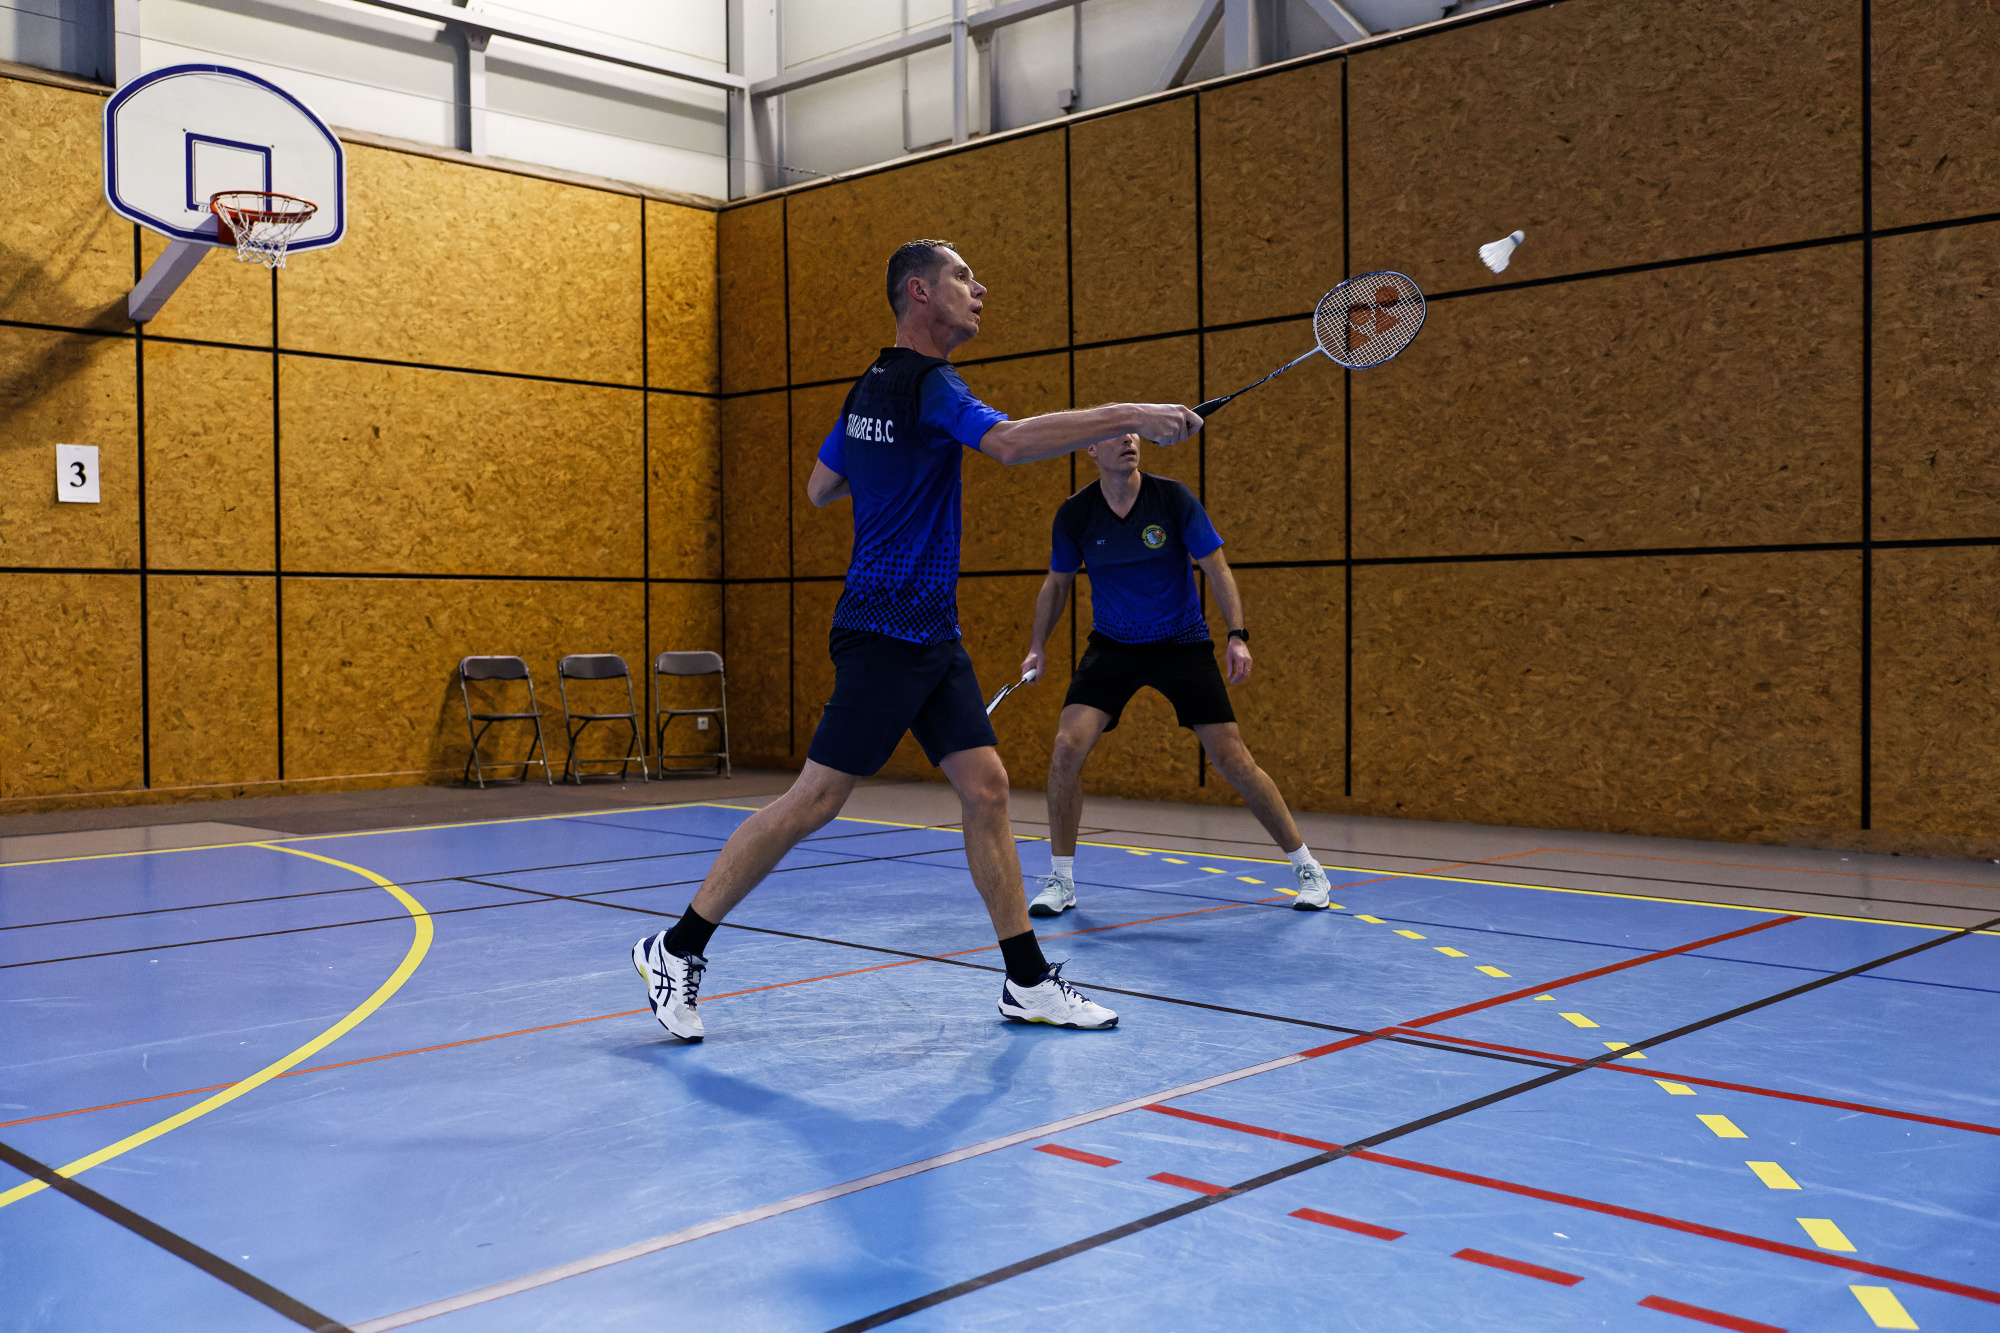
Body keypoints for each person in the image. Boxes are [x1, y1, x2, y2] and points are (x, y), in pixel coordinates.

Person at [631, 240, 1203, 1041]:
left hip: (930, 630)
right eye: (964, 276)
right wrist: (1133, 413)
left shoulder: (871, 384)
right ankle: (674, 947)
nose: (980, 287)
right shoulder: (932, 385)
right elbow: (1008, 443)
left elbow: (822, 486)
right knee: (815, 799)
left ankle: (1027, 981)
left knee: (987, 787)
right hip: (885, 627)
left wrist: (896, 475)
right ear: (919, 291)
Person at [1019, 432, 1336, 914]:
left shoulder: (1172, 499)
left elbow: (1217, 569)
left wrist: (1237, 635)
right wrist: (1036, 647)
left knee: (1233, 759)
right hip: (1113, 646)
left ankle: (1309, 868)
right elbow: (1057, 584)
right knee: (1066, 748)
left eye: (1133, 430)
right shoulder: (1076, 514)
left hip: (1181, 643)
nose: (1128, 439)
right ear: (1091, 450)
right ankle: (1061, 881)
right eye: (1115, 433)